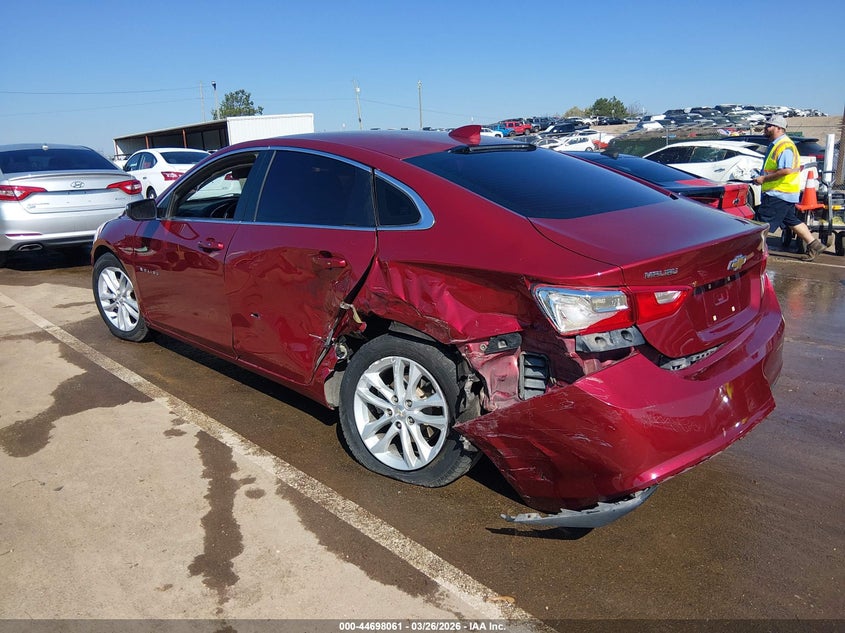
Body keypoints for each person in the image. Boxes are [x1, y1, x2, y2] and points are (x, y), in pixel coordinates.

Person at [754, 114, 825, 261]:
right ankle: (815, 244)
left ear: (779, 128)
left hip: (778, 193)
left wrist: (763, 179)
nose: (766, 128)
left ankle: (753, 254)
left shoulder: (784, 146)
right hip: (784, 193)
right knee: (791, 221)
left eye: (769, 126)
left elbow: (785, 170)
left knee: (760, 224)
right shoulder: (779, 145)